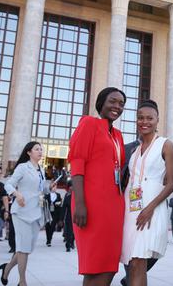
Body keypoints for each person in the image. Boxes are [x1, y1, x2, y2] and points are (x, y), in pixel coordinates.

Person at [68, 87, 127, 286]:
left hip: (114, 204)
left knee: (109, 264)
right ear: (101, 102)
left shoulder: (117, 135)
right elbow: (77, 162)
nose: (116, 107)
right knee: (94, 265)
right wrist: (80, 204)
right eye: (112, 101)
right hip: (91, 203)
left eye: (121, 104)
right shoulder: (88, 124)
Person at [120, 99, 173, 285]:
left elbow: (171, 184)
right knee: (133, 263)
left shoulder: (165, 145)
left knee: (139, 261)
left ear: (157, 120)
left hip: (152, 208)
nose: (144, 121)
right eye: (140, 118)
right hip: (132, 209)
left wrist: (150, 208)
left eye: (149, 118)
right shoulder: (134, 150)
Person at [1, 141, 54, 286]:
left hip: (36, 213)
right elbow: (8, 184)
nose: (40, 151)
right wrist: (17, 194)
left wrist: (49, 188)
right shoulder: (23, 167)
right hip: (21, 212)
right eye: (37, 149)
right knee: (23, 249)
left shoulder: (41, 170)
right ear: (29, 152)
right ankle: (22, 281)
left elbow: (41, 190)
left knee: (26, 249)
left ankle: (6, 268)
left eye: (41, 149)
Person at [62, 180, 75, 252]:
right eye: (70, 186)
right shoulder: (67, 196)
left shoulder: (77, 195)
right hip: (69, 216)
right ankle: (68, 245)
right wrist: (61, 219)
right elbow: (64, 207)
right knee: (68, 231)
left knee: (74, 232)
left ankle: (72, 242)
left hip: (76, 216)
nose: (71, 188)